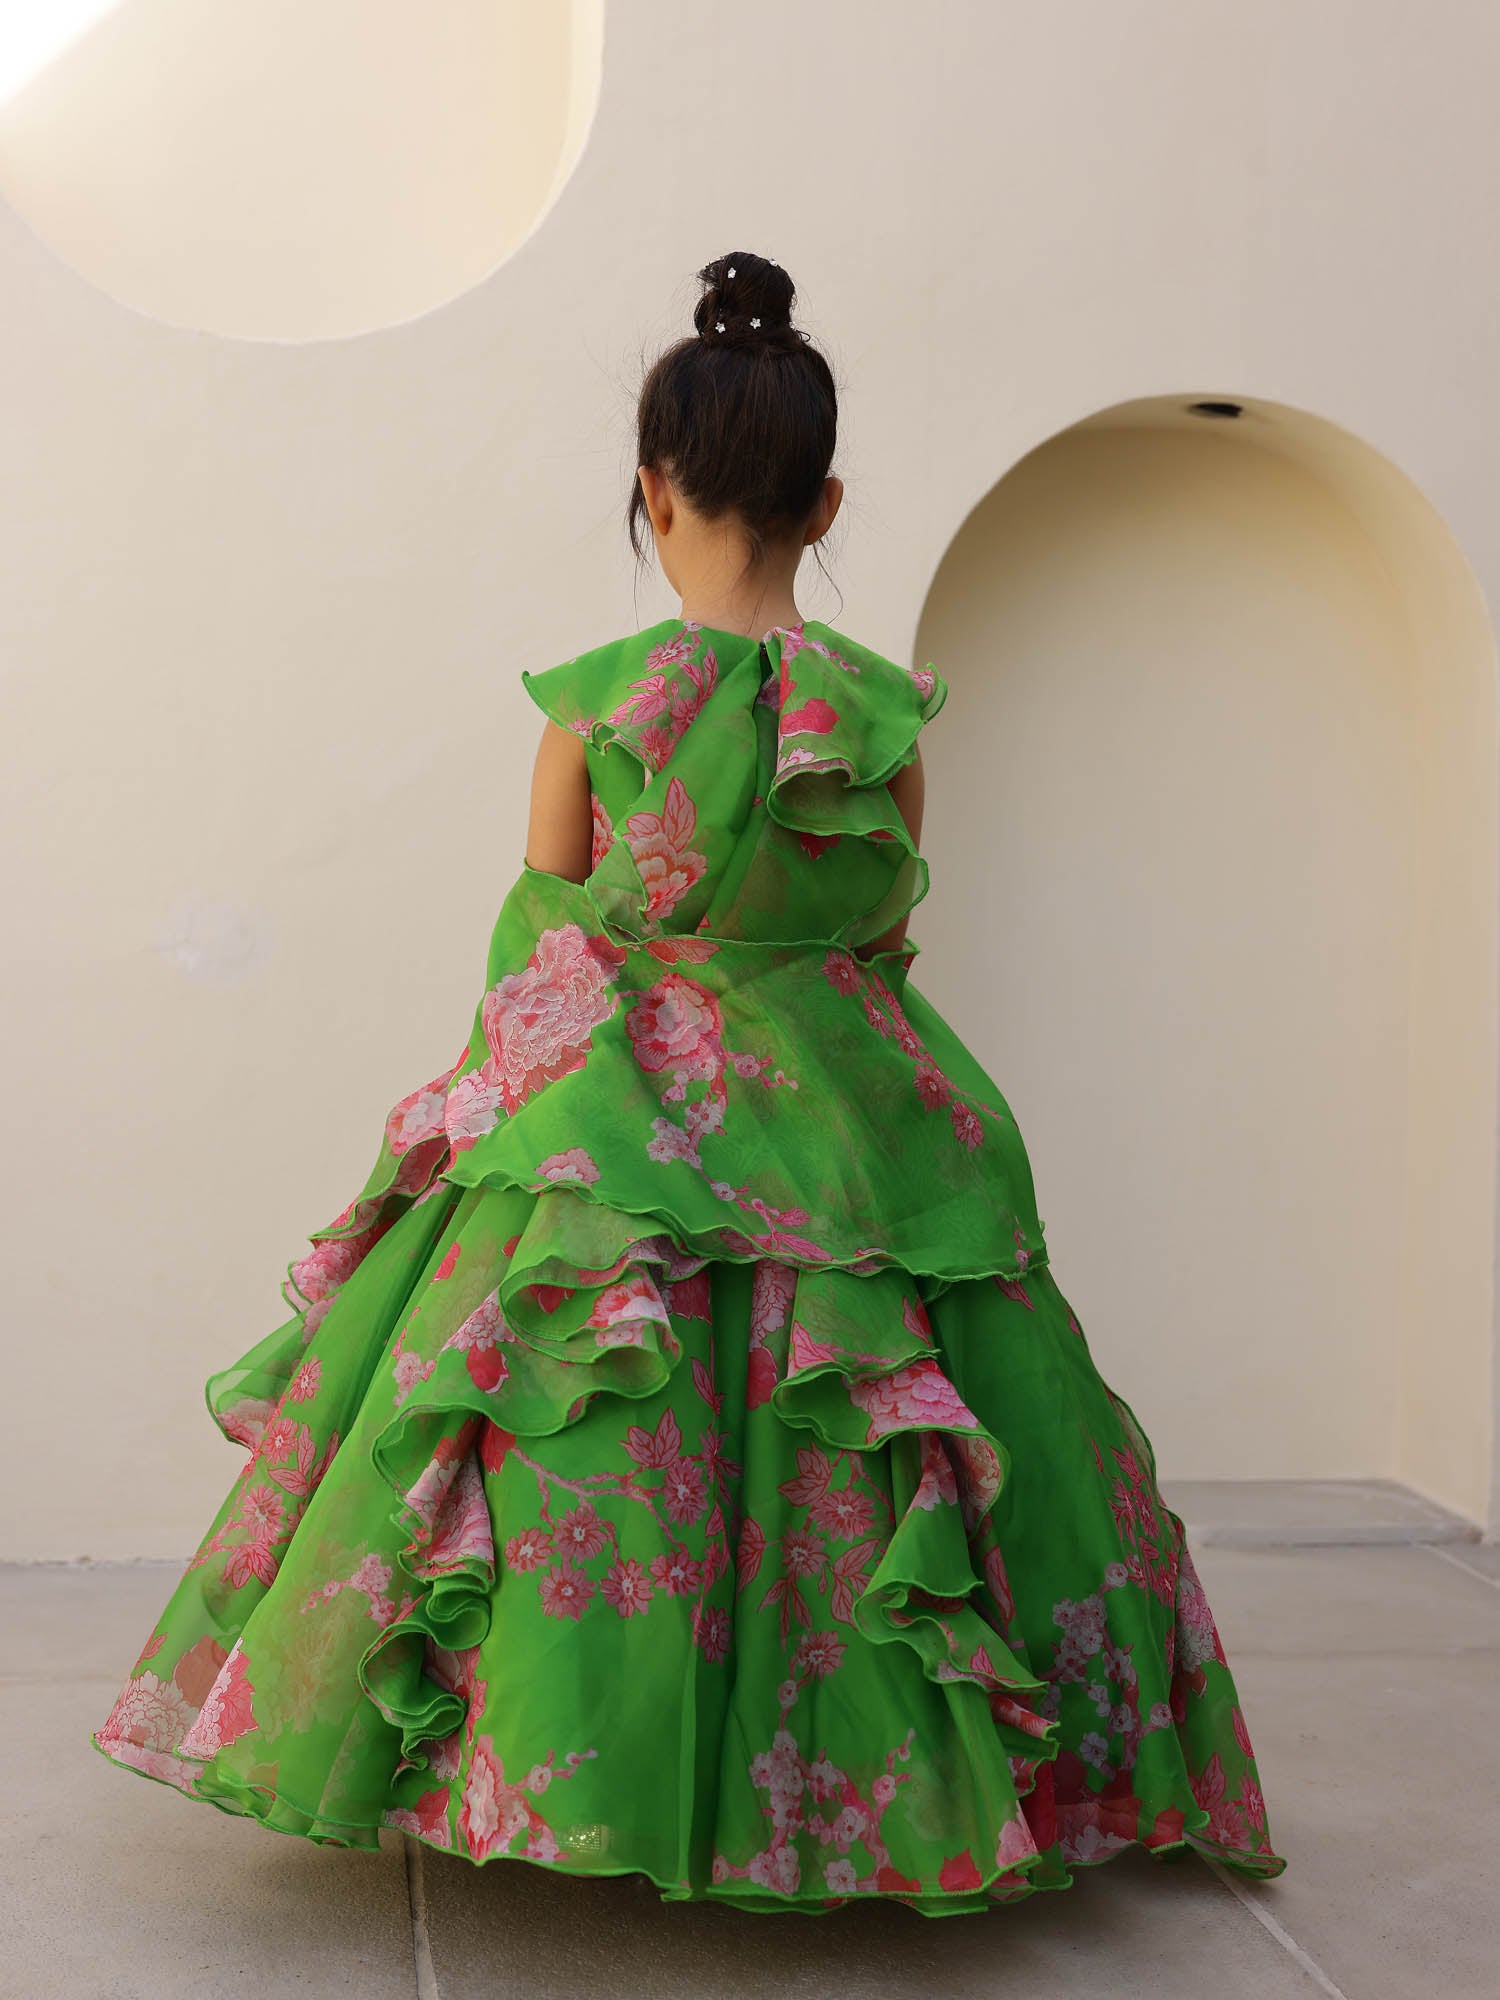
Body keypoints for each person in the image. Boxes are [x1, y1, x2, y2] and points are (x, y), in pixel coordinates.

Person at [91, 250, 1287, 1915]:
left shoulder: (597, 710)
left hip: (620, 1097)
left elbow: (547, 944)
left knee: (589, 1419)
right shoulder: (880, 722)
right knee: (870, 1432)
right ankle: (870, 1788)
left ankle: (584, 1766)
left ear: (651, 491)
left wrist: (484, 1120)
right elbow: (878, 944)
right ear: (830, 497)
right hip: (854, 1105)